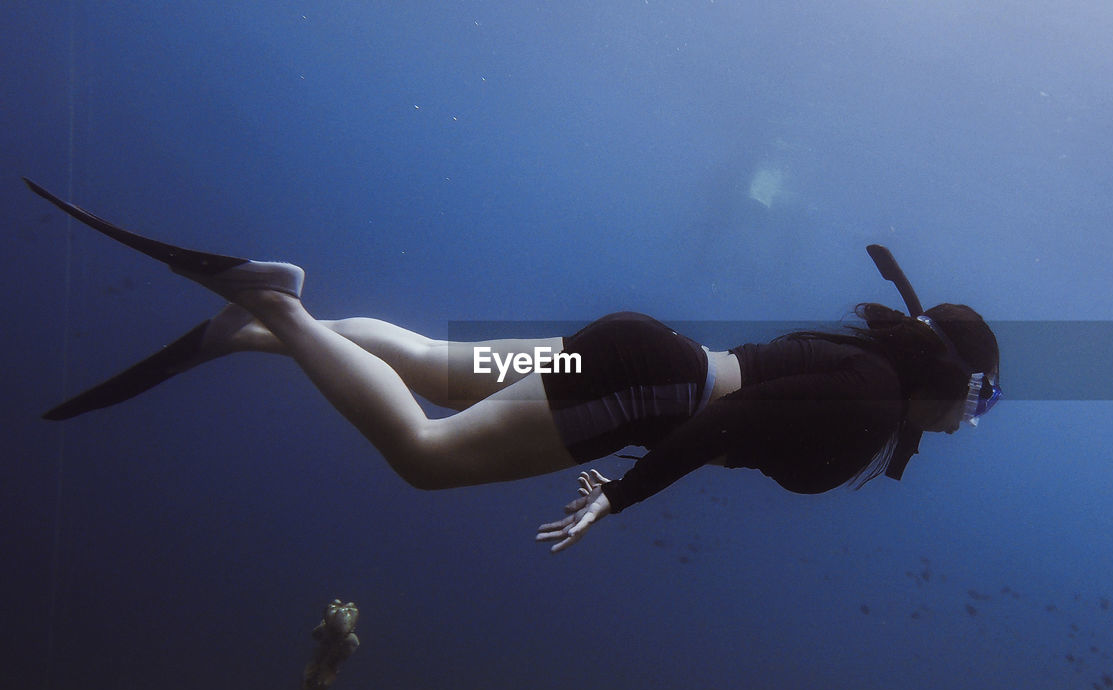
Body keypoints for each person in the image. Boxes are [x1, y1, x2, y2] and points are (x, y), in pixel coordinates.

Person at [26, 179, 1001, 553]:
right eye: (981, 400)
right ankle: (276, 302)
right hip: (646, 388)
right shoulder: (873, 402)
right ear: (951, 380)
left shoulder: (867, 372)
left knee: (428, 367)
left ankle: (253, 330)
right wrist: (619, 499)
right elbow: (727, 427)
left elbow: (748, 408)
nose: (974, 420)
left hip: (638, 349)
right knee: (421, 452)